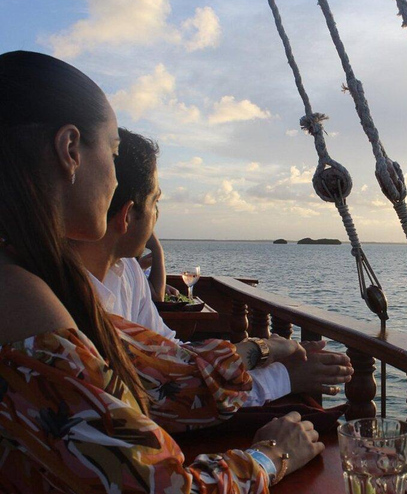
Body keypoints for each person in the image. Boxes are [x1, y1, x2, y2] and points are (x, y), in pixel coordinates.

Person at [0, 50, 322, 493]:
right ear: (70, 150)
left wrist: (264, 351)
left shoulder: (33, 276)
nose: (115, 181)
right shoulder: (18, 297)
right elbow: (164, 487)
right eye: (112, 153)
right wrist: (270, 455)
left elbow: (154, 379)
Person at [72, 127, 353, 413]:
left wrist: (267, 357)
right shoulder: (65, 300)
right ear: (128, 215)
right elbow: (168, 393)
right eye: (155, 201)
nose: (158, 215)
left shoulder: (127, 269)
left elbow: (172, 357)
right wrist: (285, 376)